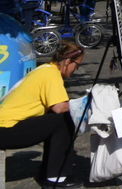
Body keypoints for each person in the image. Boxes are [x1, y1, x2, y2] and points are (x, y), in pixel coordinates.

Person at [0, 40, 85, 187]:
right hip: (5, 129)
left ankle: (49, 172)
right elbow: (59, 107)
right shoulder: (51, 75)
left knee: (54, 120)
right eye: (76, 65)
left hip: (6, 127)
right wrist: (85, 103)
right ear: (67, 61)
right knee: (63, 120)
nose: (75, 70)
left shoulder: (45, 70)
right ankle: (55, 177)